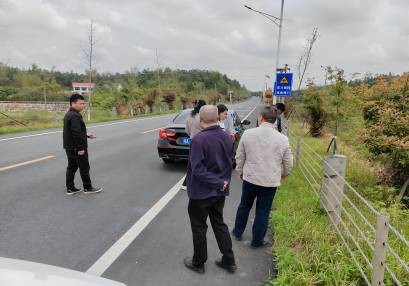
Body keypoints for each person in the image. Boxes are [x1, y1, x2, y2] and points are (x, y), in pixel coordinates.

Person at [184, 105, 237, 274]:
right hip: (219, 191)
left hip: (202, 192)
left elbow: (197, 169)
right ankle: (229, 260)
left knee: (199, 226)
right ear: (217, 118)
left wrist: (217, 182)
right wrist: (223, 183)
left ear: (200, 119)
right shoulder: (227, 137)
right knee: (219, 223)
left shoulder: (199, 140)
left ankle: (199, 263)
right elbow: (230, 164)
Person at [232, 106, 293, 248]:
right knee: (263, 210)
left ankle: (237, 232)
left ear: (260, 118)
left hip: (251, 178)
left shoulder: (248, 134)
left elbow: (240, 156)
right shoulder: (283, 139)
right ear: (275, 120)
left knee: (244, 205)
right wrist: (284, 174)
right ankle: (257, 241)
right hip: (270, 181)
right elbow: (288, 162)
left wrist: (240, 171)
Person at [63, 93, 102, 195]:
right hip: (77, 148)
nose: (83, 105)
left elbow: (75, 131)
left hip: (70, 147)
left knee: (71, 167)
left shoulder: (69, 114)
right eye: (81, 103)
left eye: (84, 103)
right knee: (84, 167)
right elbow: (76, 133)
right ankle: (88, 188)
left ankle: (70, 188)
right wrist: (80, 148)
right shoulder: (75, 116)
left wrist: (86, 135)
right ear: (73, 103)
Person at [181, 100, 206, 191]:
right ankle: (191, 183)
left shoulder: (190, 117)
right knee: (202, 163)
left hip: (192, 141)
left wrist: (192, 135)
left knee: (192, 162)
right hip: (203, 142)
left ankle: (186, 183)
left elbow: (187, 131)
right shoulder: (203, 118)